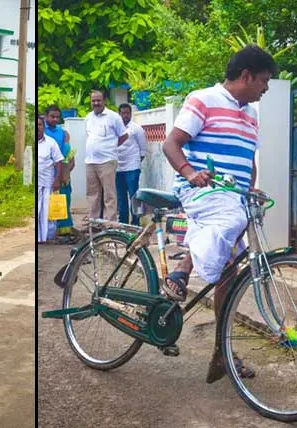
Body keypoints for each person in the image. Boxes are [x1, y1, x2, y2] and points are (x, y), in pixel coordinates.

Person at [162, 45, 277, 382]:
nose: (266, 88)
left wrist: (250, 187)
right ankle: (183, 269)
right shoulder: (203, 99)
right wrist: (188, 172)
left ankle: (220, 353)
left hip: (233, 197)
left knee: (230, 271)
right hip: (201, 190)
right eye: (264, 81)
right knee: (231, 222)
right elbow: (171, 144)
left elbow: (247, 160)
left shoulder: (251, 114)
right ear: (246, 76)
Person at [84, 90, 128, 222]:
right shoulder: (88, 117)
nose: (96, 103)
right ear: (91, 102)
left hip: (107, 161)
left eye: (99, 100)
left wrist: (111, 147)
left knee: (109, 195)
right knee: (92, 195)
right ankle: (94, 224)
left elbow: (124, 135)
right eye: (93, 101)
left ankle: (110, 225)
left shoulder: (113, 117)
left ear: (104, 101)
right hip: (90, 161)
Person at [44, 105, 76, 239]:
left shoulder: (62, 132)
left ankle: (64, 230)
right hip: (47, 171)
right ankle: (47, 231)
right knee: (48, 201)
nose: (55, 119)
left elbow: (67, 152)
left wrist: (67, 170)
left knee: (64, 199)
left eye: (57, 117)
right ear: (46, 116)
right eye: (52, 116)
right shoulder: (42, 130)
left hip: (63, 169)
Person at [116, 103, 147, 225]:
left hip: (132, 167)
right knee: (121, 197)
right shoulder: (114, 129)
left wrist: (135, 163)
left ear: (131, 114)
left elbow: (143, 150)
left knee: (134, 196)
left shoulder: (136, 129)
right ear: (119, 114)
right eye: (123, 113)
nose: (125, 115)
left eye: (127, 113)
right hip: (118, 168)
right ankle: (123, 222)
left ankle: (136, 222)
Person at [38, 115, 65, 243]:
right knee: (37, 212)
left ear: (44, 127)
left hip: (48, 183)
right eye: (36, 125)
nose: (38, 127)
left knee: (48, 212)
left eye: (40, 125)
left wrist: (57, 180)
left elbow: (59, 161)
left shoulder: (50, 142)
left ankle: (47, 238)